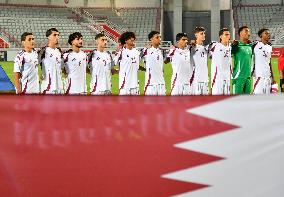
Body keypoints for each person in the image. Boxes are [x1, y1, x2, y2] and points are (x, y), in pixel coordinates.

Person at [38, 28, 64, 94]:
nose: (57, 37)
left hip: (59, 88)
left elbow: (62, 67)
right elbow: (33, 63)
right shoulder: (43, 51)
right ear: (48, 37)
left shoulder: (59, 51)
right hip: (48, 89)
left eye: (58, 35)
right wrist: (37, 73)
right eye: (54, 35)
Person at [141, 31, 166, 95]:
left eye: (160, 37)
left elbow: (163, 65)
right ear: (151, 39)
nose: (159, 39)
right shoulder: (145, 51)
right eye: (157, 37)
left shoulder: (162, 51)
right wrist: (144, 69)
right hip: (151, 85)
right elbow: (134, 62)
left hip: (161, 85)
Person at [252, 28, 275, 94]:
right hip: (259, 77)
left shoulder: (269, 47)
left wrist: (272, 77)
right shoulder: (255, 45)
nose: (269, 35)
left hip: (268, 77)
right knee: (257, 97)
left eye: (269, 33)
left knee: (267, 98)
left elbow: (269, 62)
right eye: (266, 33)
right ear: (261, 35)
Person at [231, 26, 253, 94]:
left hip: (248, 77)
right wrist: (233, 45)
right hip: (238, 77)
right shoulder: (236, 45)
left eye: (249, 31)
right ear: (240, 33)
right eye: (246, 31)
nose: (248, 33)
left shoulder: (250, 46)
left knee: (247, 101)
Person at [210, 28, 232, 95]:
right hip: (218, 79)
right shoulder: (215, 45)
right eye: (226, 35)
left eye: (229, 35)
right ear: (220, 36)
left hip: (227, 78)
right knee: (216, 100)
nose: (228, 36)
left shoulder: (230, 47)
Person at [191, 26, 209, 95]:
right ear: (196, 35)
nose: (204, 35)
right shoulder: (191, 47)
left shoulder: (206, 48)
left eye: (204, 33)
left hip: (205, 80)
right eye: (201, 33)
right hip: (196, 80)